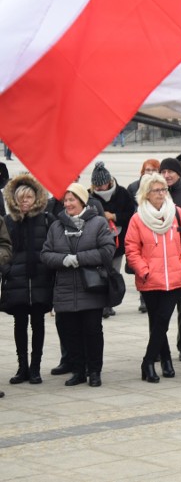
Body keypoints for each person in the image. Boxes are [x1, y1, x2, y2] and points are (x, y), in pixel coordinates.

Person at [41, 183, 115, 387]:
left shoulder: (98, 223)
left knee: (92, 331)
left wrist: (79, 258)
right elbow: (46, 254)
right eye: (65, 200)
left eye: (72, 199)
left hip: (91, 288)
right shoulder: (57, 226)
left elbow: (108, 250)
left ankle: (94, 371)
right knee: (68, 332)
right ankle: (78, 370)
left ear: (82, 201)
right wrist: (64, 259)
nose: (68, 203)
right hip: (64, 289)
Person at [124, 174, 181, 383]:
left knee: (162, 321)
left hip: (174, 278)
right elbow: (132, 249)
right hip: (150, 279)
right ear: (146, 193)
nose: (161, 194)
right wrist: (144, 270)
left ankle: (148, 361)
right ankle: (166, 360)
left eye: (163, 190)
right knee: (157, 323)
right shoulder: (138, 218)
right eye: (156, 190)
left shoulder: (177, 214)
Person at [1, 174, 54, 385]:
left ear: (36, 198)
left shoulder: (46, 220)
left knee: (38, 324)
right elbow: (4, 247)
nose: (25, 202)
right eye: (21, 198)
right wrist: (7, 270)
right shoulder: (8, 221)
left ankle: (35, 368)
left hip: (39, 280)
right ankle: (22, 366)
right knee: (19, 324)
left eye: (29, 198)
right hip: (17, 281)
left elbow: (51, 248)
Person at [89, 161, 136, 318]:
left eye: (102, 185)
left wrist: (114, 216)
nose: (99, 189)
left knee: (113, 272)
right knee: (100, 273)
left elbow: (131, 214)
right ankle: (100, 303)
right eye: (96, 185)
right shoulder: (90, 196)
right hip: (98, 243)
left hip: (118, 243)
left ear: (109, 182)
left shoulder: (122, 193)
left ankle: (109, 303)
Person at [159, 157, 181, 361]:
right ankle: (158, 346)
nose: (167, 175)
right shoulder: (154, 193)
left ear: (179, 173)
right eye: (164, 171)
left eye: (171, 171)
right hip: (159, 258)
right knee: (158, 309)